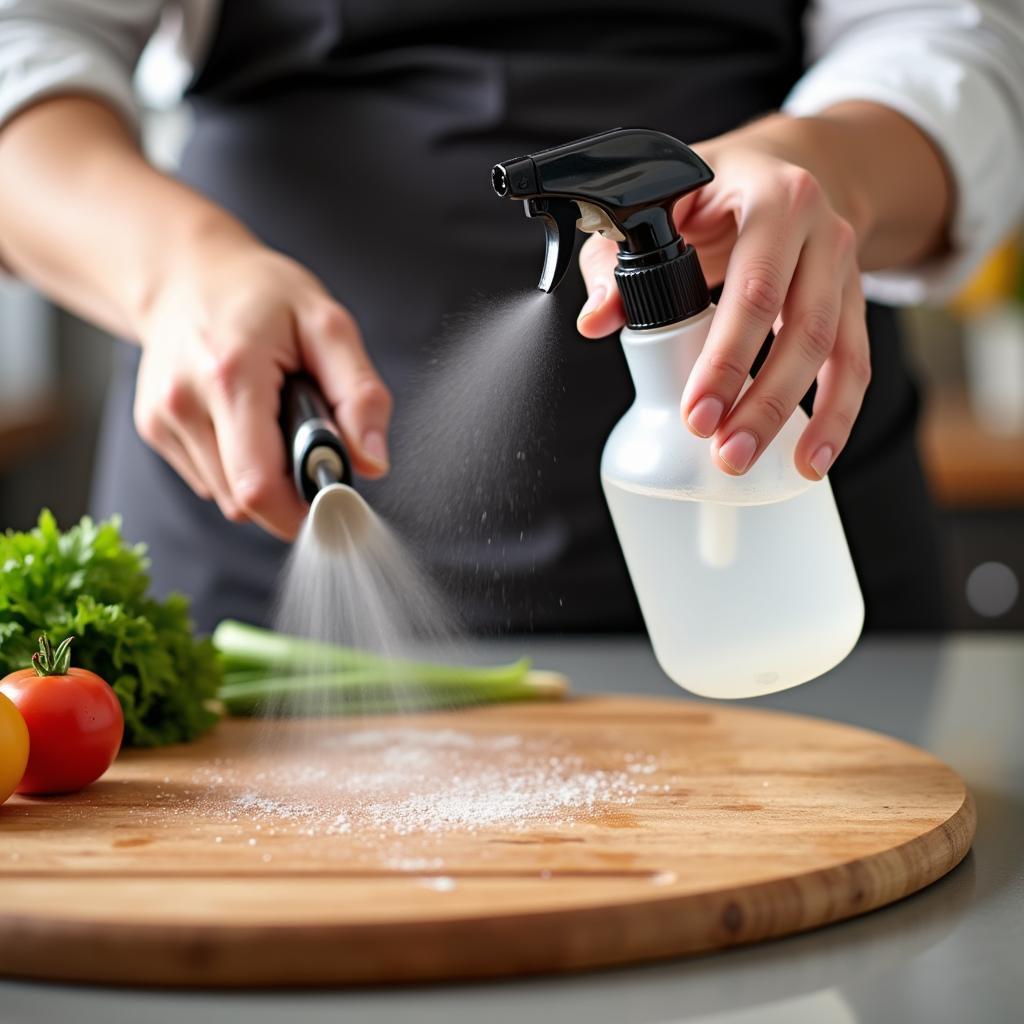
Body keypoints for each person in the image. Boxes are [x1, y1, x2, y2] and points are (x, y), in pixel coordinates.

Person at [0, 1, 1022, 636]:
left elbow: (954, 32)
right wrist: (177, 271)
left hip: (799, 554)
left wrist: (830, 167)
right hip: (250, 541)